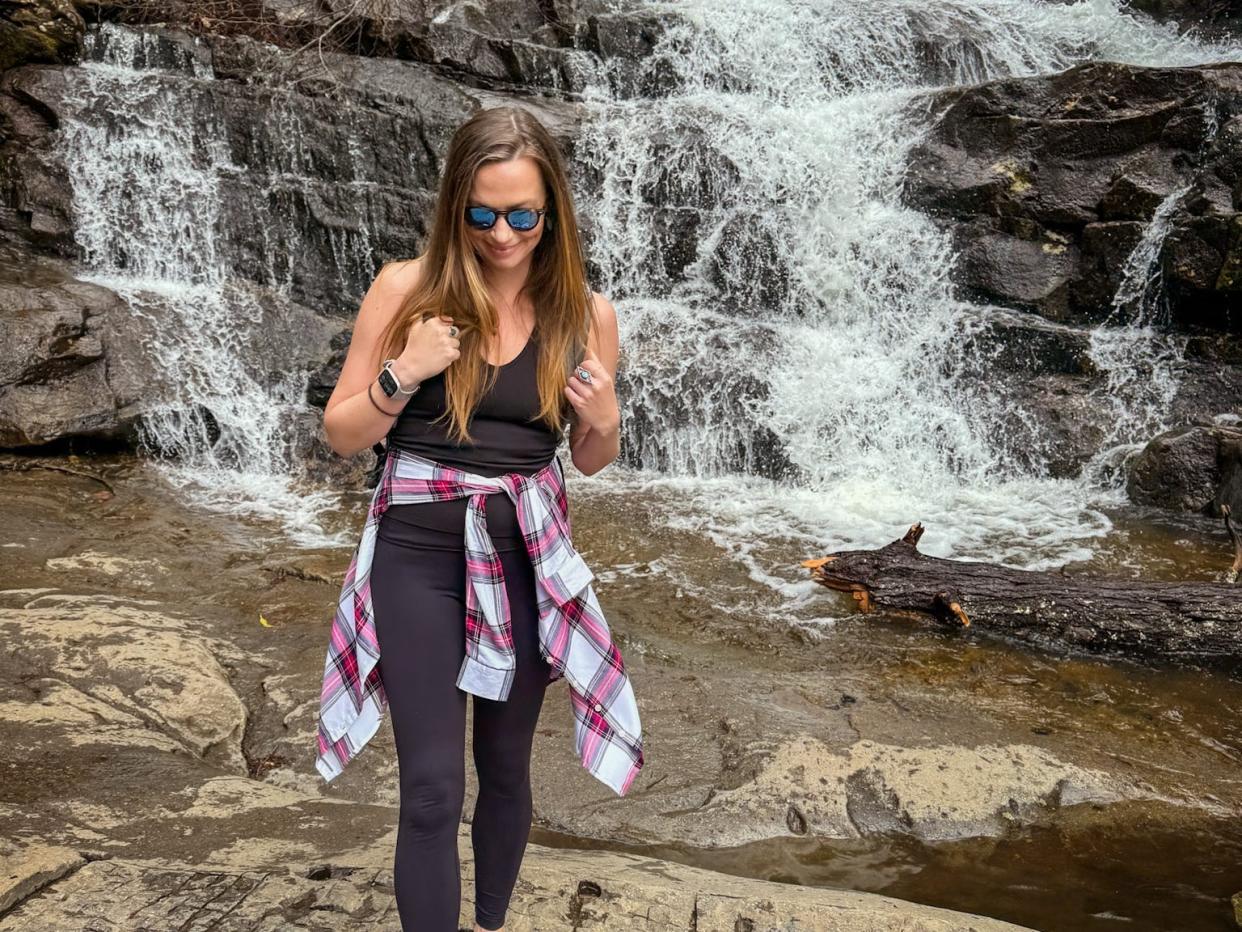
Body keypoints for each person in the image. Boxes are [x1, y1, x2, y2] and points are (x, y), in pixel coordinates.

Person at [319, 105, 633, 932]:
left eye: (523, 215)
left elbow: (592, 456)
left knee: (504, 767)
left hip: (525, 554)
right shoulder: (405, 290)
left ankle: (491, 922)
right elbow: (343, 432)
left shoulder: (585, 315)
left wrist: (606, 418)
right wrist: (403, 372)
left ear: (552, 213)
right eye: (483, 214)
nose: (503, 234)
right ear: (456, 205)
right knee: (430, 787)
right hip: (416, 553)